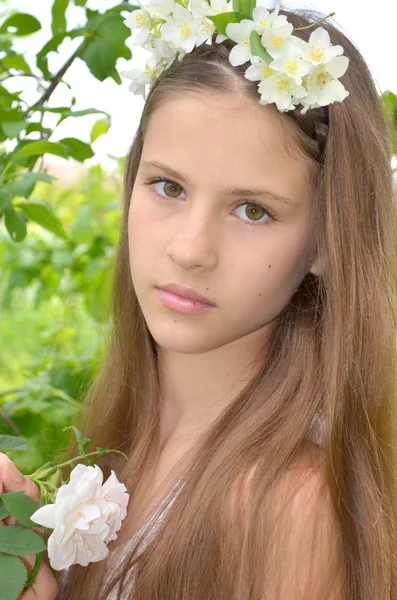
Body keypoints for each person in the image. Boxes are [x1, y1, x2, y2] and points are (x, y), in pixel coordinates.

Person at [2, 2, 397, 598]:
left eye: (253, 210)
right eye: (168, 187)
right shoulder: (121, 444)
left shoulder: (290, 506)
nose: (190, 250)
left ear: (325, 242)